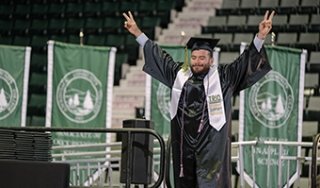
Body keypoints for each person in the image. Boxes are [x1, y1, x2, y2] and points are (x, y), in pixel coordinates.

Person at [123, 10, 275, 188]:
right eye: (194, 58)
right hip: (183, 148)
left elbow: (245, 62)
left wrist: (260, 37)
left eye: (202, 58)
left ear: (211, 60)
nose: (197, 61)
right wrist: (138, 34)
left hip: (212, 150)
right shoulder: (179, 74)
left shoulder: (225, 77)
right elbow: (159, 56)